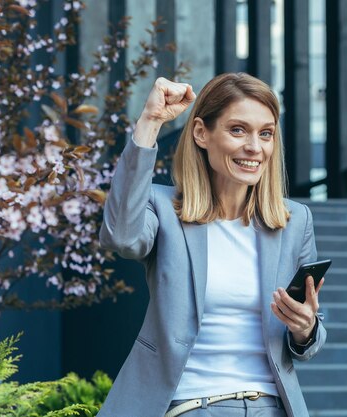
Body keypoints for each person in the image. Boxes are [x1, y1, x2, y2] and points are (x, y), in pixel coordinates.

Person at [97, 73, 326, 417]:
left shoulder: (295, 221)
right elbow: (121, 236)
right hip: (190, 405)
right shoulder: (164, 209)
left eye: (265, 134)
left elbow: (308, 341)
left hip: (272, 406)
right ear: (202, 133)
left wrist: (305, 328)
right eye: (238, 130)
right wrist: (150, 122)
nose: (254, 147)